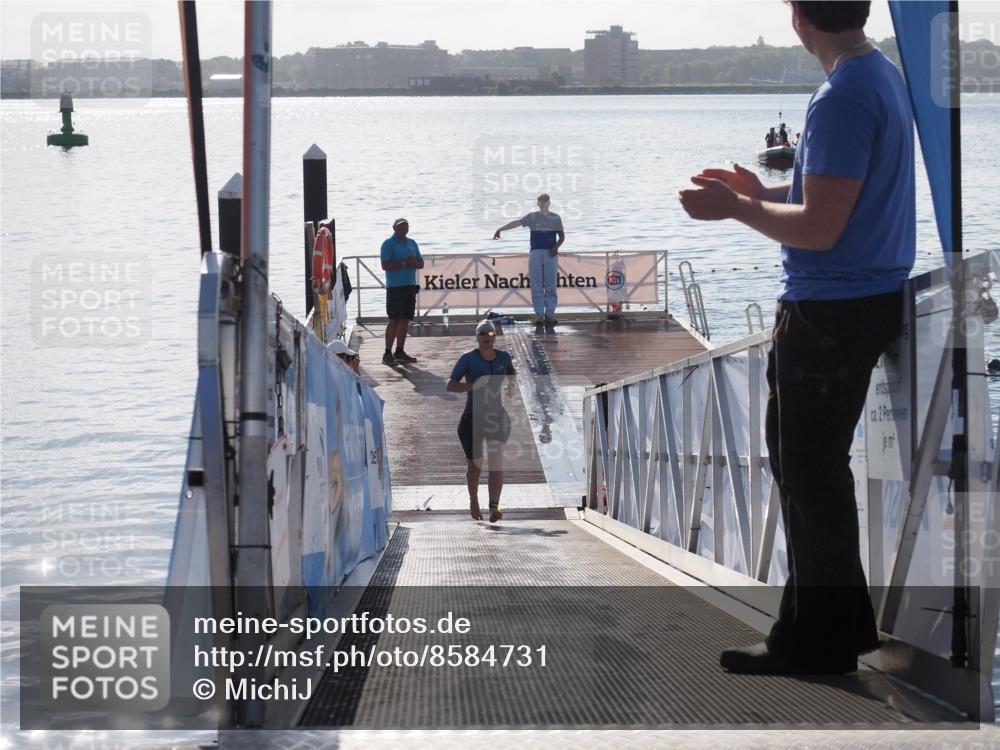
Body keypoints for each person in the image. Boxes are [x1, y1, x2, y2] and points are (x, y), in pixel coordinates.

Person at [678, 0, 914, 675]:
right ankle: (828, 630)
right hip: (860, 299)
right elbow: (836, 195)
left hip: (830, 310)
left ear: (797, 19)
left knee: (809, 474)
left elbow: (819, 229)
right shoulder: (881, 74)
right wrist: (765, 188)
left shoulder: (841, 96)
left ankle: (819, 640)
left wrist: (737, 208)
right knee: (814, 473)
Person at [446, 319, 516, 523]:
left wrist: (510, 386)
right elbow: (450, 386)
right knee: (475, 466)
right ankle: (473, 500)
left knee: (496, 463)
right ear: (477, 338)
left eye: (491, 334)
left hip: (496, 417)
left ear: (495, 337)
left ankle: (495, 507)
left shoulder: (503, 357)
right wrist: (472, 386)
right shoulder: (468, 359)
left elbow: (511, 372)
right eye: (482, 334)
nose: (486, 337)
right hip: (472, 418)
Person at [493, 193, 565, 325]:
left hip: (550, 253)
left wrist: (556, 247)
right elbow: (517, 223)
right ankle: (539, 315)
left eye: (545, 201)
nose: (543, 203)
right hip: (536, 252)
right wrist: (501, 229)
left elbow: (562, 237)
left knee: (550, 284)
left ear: (549, 203)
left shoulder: (555, 218)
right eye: (541, 201)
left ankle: (550, 314)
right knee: (536, 284)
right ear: (538, 203)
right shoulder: (532, 217)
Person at [380, 218, 423, 365]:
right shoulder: (388, 244)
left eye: (405, 227)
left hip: (410, 285)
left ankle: (400, 351)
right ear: (394, 227)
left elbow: (421, 263)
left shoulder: (412, 243)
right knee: (394, 319)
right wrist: (404, 263)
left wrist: (414, 263)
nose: (403, 230)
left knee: (405, 319)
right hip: (395, 287)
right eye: (400, 227)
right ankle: (387, 353)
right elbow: (385, 265)